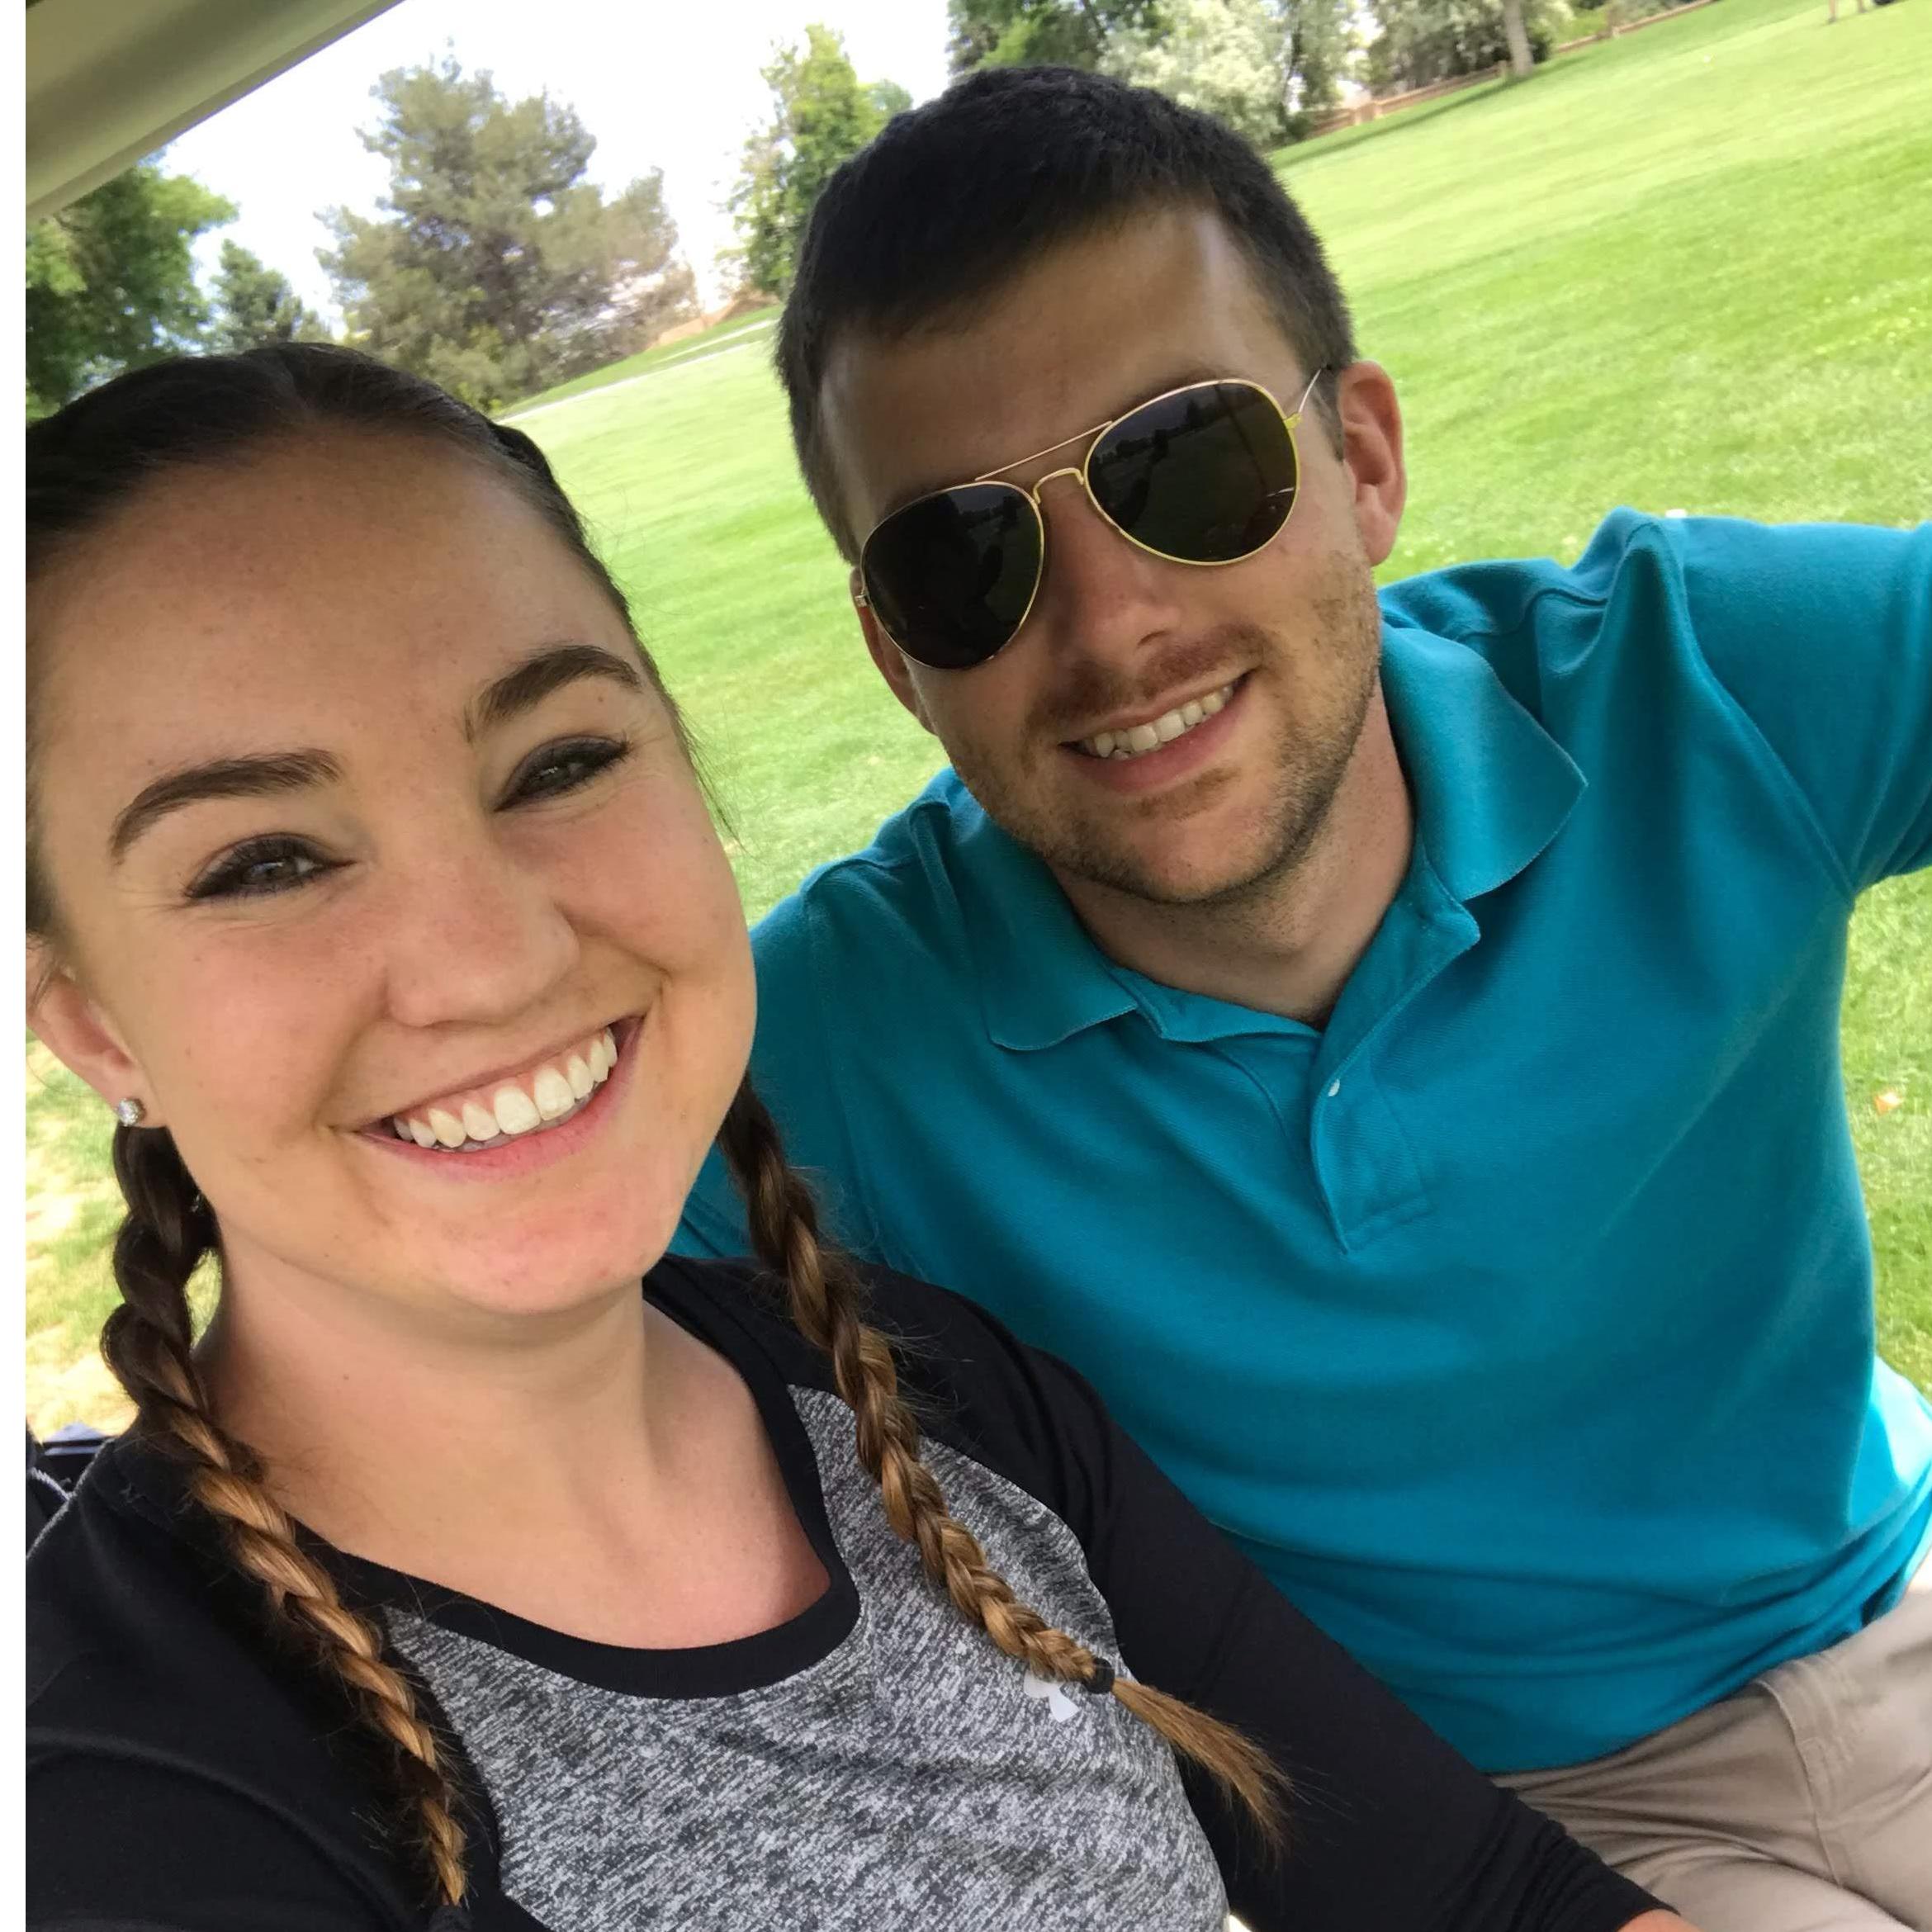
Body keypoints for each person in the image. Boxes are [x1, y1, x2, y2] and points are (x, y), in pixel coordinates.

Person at [21, 345, 1688, 1932]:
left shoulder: (920, 1388)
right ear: (89, 1019)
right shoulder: (110, 1791)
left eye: (560, 762)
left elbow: (1482, 1900)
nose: (495, 962)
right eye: (263, 863)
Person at [672, 64, 1932, 1932]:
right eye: (965, 560)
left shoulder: (1697, 679)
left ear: (1363, 461)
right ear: (893, 653)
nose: (1112, 630)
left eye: (1185, 467)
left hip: (1889, 1600)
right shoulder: (823, 1042)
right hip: (1477, 1841)